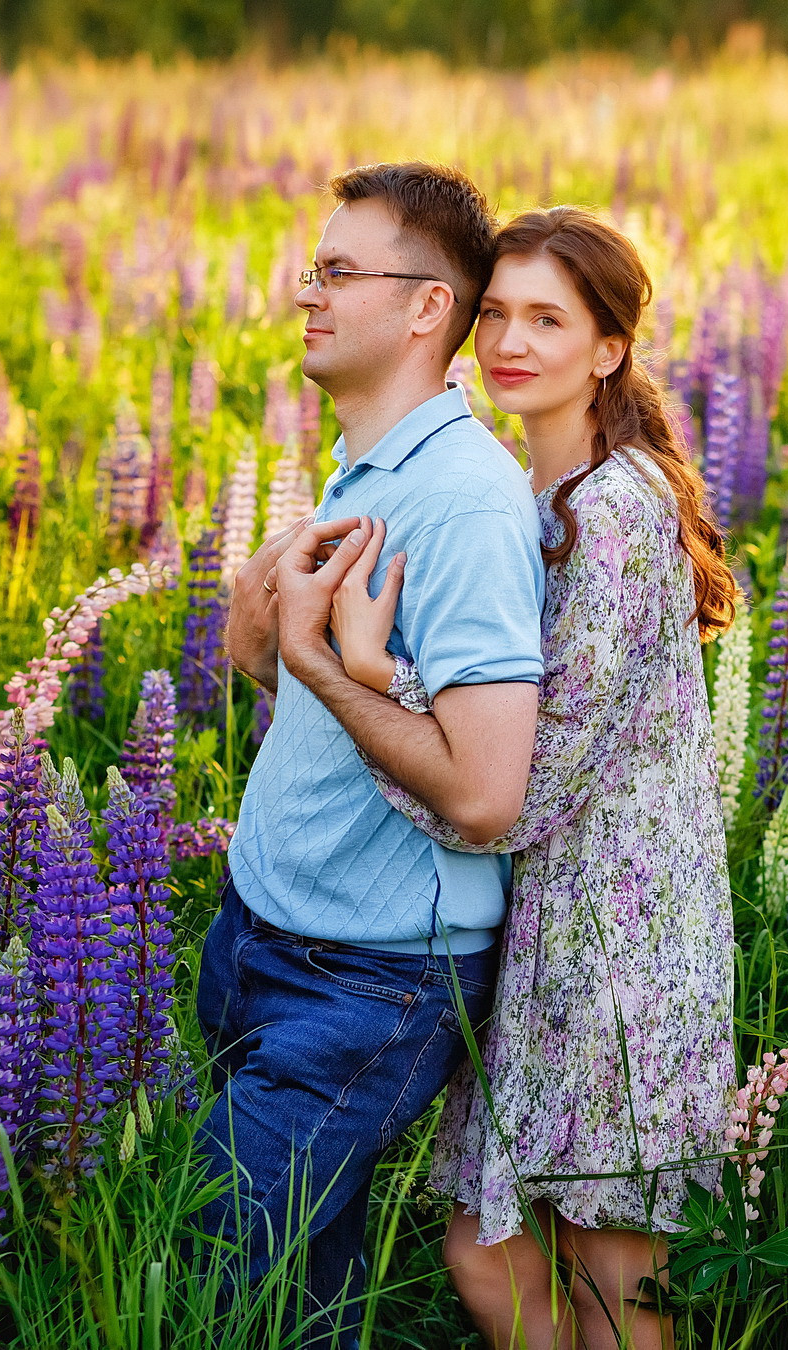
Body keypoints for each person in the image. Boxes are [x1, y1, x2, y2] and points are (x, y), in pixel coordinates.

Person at [281, 206, 740, 1350]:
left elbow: (517, 791)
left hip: (623, 948)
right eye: (494, 313)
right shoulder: (536, 504)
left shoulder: (615, 515)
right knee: (489, 1256)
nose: (509, 341)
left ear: (608, 348)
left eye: (549, 318)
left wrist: (375, 679)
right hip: (545, 934)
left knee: (609, 1278)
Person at [203, 162, 546, 1349]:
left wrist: (313, 663)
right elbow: (330, 687)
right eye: (313, 267)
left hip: (369, 979)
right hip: (266, 933)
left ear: (424, 310)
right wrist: (264, 644)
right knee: (297, 1291)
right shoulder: (371, 467)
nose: (307, 292)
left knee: (214, 1259)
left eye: (338, 271)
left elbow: (487, 789)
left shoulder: (462, 504)